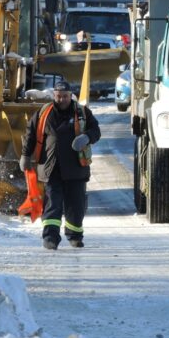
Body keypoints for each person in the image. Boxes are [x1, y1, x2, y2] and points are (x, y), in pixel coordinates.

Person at [19, 80, 101, 250]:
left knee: (75, 206)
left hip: (76, 169)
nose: (61, 100)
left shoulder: (82, 112)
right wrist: (25, 155)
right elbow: (30, 134)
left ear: (70, 96)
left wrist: (87, 137)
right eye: (58, 96)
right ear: (53, 96)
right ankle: (50, 238)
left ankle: (74, 236)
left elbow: (96, 130)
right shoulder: (44, 113)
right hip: (51, 168)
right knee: (52, 205)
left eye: (64, 96)